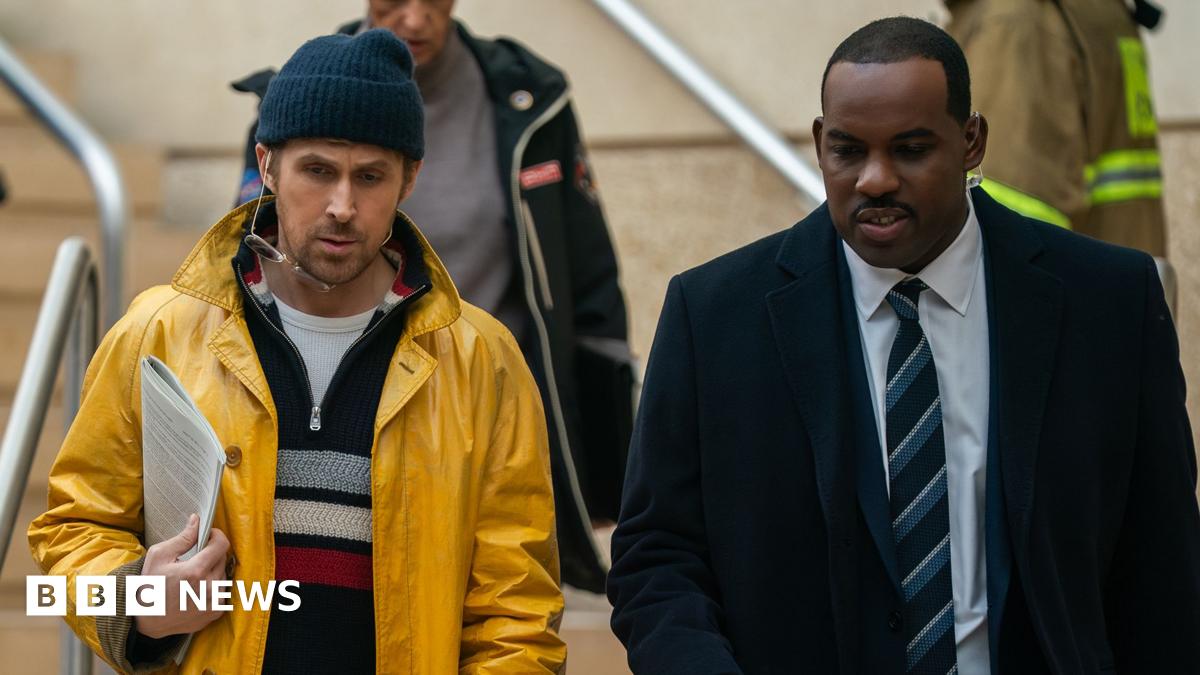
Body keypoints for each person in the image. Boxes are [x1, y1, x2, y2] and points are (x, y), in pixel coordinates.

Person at [607, 16, 1200, 675]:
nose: (875, 179)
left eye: (912, 149)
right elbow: (657, 557)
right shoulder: (714, 315)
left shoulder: (1109, 302)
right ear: (818, 143)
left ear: (971, 141)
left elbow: (1165, 569)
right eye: (848, 150)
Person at [29, 29, 565, 673]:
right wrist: (139, 603)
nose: (342, 206)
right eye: (317, 170)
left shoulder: (482, 359)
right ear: (267, 165)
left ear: (410, 179)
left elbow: (518, 609)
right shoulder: (160, 332)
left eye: (370, 177)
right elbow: (72, 530)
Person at [233, 0, 634, 593]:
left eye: (371, 176)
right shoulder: (293, 100)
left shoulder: (531, 97)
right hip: (349, 408)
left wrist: (606, 465)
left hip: (487, 413)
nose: (415, 20)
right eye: (395, 0)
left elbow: (589, 280)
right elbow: (247, 264)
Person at [944, 0, 1168, 256]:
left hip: (1048, 287)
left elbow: (1006, 216)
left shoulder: (1015, 23)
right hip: (1121, 279)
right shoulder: (1098, 10)